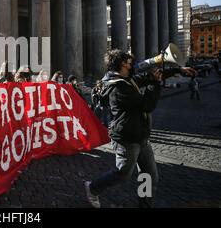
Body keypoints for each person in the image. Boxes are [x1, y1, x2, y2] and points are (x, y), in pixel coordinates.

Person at [84, 49, 196, 208]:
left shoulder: (125, 79)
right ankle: (93, 187)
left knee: (149, 176)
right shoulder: (117, 88)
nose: (133, 65)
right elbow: (146, 105)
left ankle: (144, 205)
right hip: (127, 138)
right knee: (123, 174)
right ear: (123, 64)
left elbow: (148, 77)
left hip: (141, 136)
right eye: (130, 62)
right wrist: (155, 85)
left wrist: (179, 70)